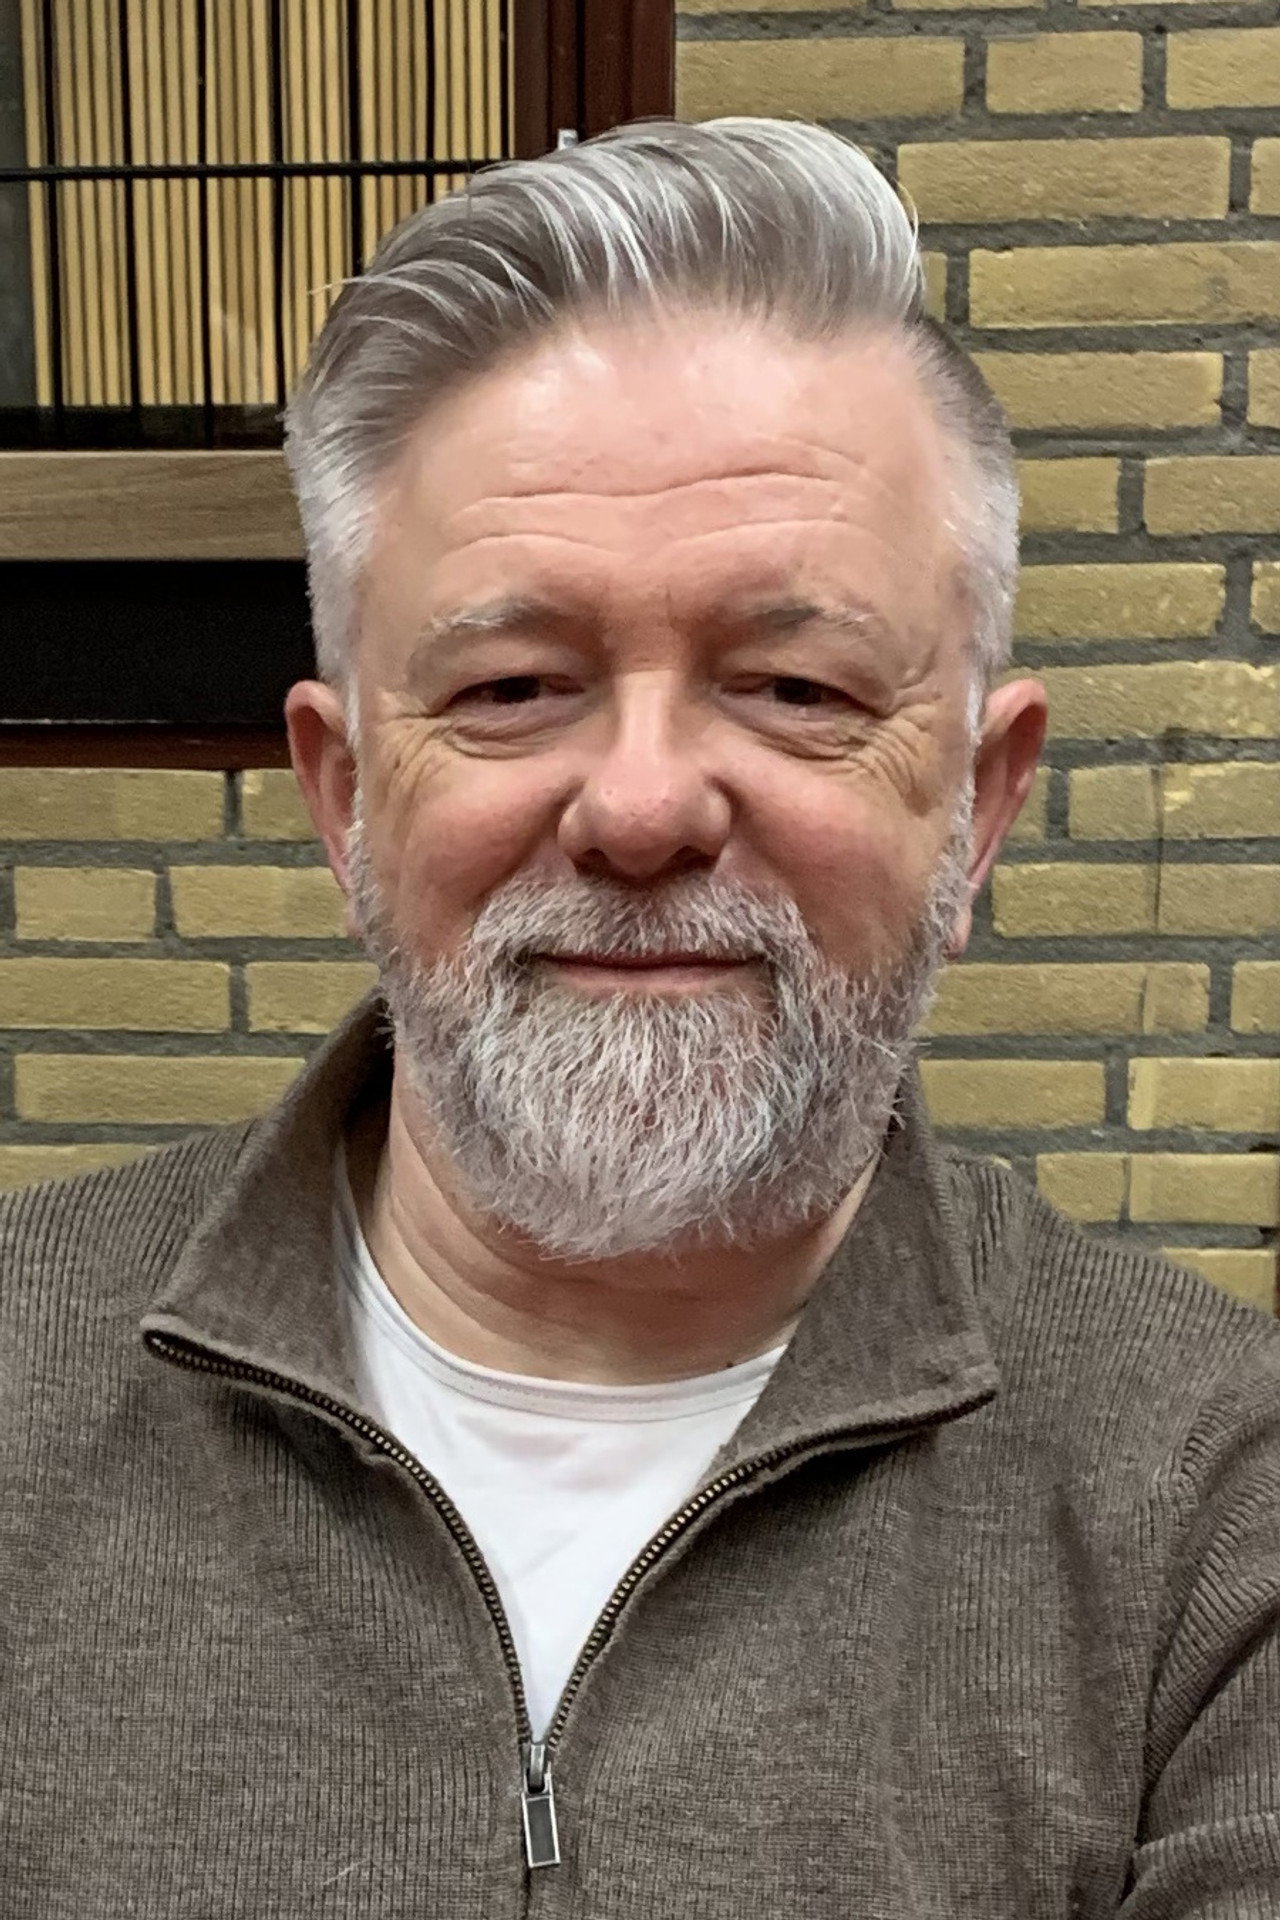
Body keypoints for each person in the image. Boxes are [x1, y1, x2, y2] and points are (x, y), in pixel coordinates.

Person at [2, 118, 1277, 1916]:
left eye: (795, 686)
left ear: (977, 807)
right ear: (346, 796)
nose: (645, 805)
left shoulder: (1215, 1515)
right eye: (516, 686)